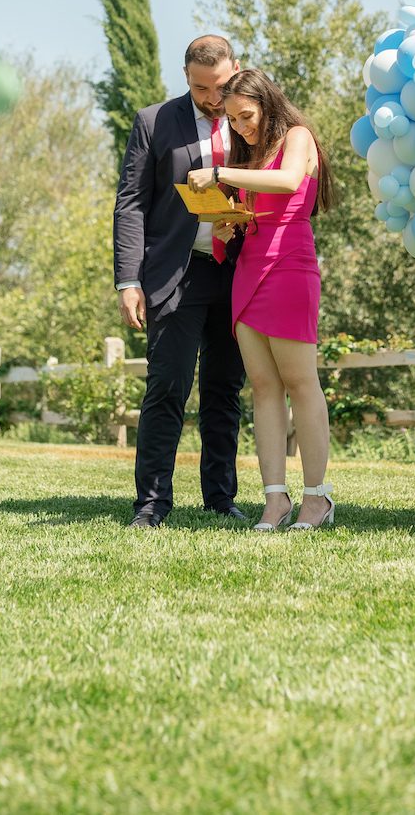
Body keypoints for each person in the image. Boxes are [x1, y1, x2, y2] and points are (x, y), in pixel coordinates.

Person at [187, 68, 335, 532]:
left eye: (244, 116)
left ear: (266, 104)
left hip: (290, 263)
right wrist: (228, 222)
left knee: (300, 381)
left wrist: (219, 172)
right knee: (264, 387)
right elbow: (253, 208)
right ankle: (275, 500)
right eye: (231, 120)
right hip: (249, 264)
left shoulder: (298, 137)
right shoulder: (247, 155)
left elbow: (290, 183)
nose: (239, 127)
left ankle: (318, 499)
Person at [114, 35, 247, 528]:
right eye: (199, 88)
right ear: (186, 78)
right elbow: (130, 203)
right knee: (167, 386)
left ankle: (220, 498)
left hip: (237, 272)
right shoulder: (154, 122)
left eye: (219, 86)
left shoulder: (253, 120)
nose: (212, 98)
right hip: (176, 272)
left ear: (237, 69)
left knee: (223, 389)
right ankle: (151, 505)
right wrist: (128, 279)